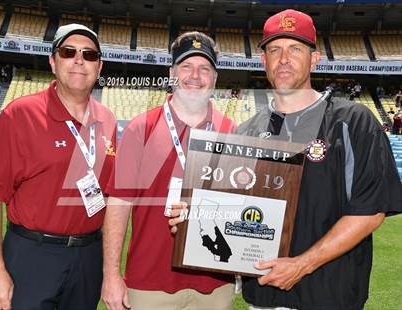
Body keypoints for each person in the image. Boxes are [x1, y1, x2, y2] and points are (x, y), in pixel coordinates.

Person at [167, 9, 402, 310]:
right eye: (275, 50)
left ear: (314, 59)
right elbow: (228, 210)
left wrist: (302, 265)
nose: (284, 59)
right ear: (263, 61)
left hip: (331, 299)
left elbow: (370, 211)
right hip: (264, 299)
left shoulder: (352, 121)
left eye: (295, 48)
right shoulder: (247, 131)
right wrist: (193, 216)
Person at [0, 24, 117, 310]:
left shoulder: (108, 120)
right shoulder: (20, 114)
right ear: (53, 62)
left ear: (100, 66)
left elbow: (111, 196)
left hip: (88, 257)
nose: (79, 60)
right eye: (69, 52)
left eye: (89, 55)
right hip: (32, 254)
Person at [102, 31, 237, 310]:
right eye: (186, 66)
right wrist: (112, 275)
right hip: (150, 283)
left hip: (214, 285)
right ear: (172, 73)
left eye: (204, 68)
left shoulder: (231, 132)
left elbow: (238, 205)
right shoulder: (141, 128)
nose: (195, 76)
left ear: (215, 77)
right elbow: (119, 203)